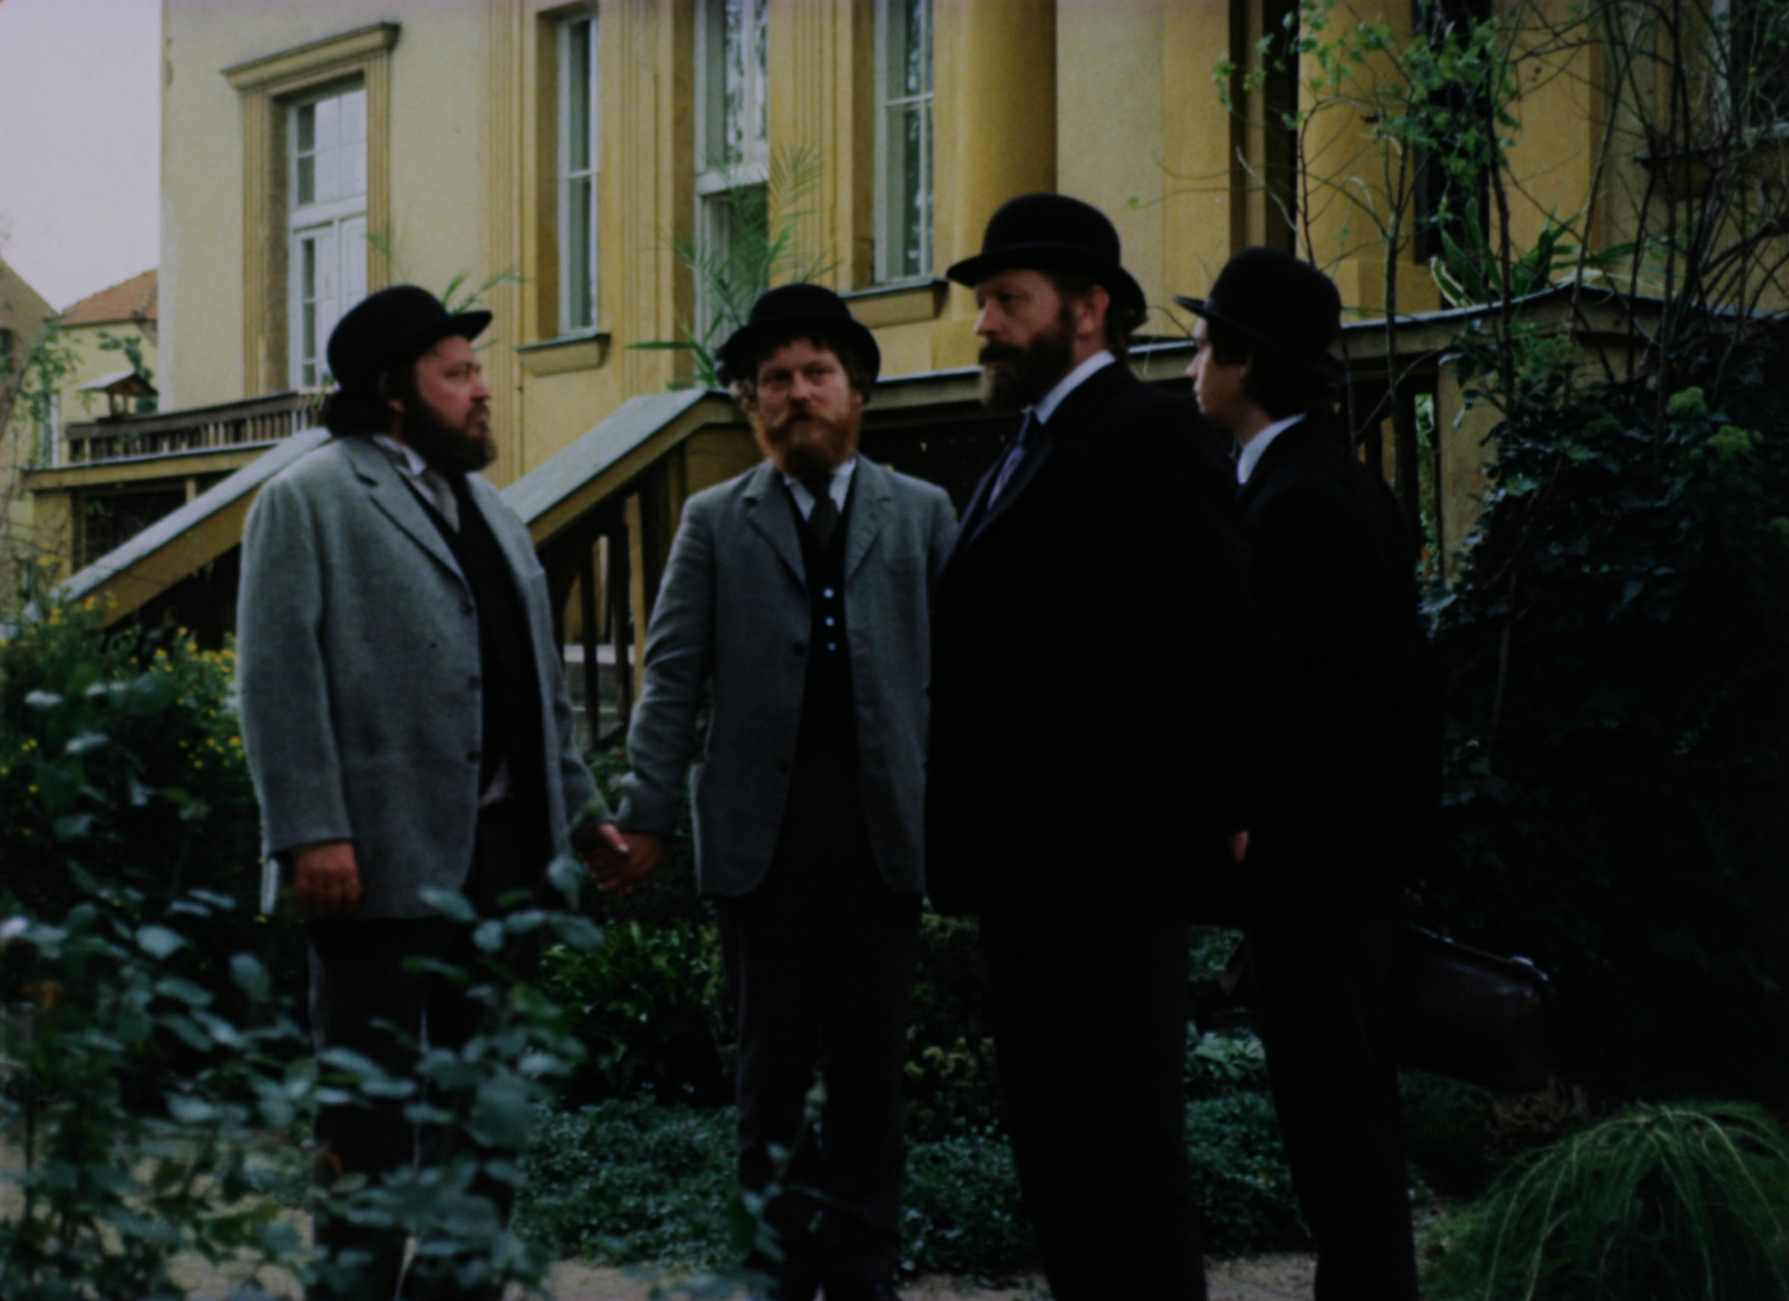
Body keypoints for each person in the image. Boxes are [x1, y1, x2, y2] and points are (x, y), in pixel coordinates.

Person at [237, 284, 625, 1301]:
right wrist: (311, 831)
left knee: (483, 1123)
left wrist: (584, 816)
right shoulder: (310, 497)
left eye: (475, 370)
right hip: (372, 864)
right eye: (456, 374)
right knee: (367, 1128)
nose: (481, 388)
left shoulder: (490, 509)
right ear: (393, 391)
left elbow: (532, 689)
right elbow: (276, 679)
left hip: (503, 861)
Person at [605, 284, 957, 1301]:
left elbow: (961, 679)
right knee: (769, 1077)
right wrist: (645, 814)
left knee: (871, 1077)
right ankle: (774, 1270)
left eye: (816, 373)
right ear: (751, 402)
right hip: (763, 847)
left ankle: (864, 1273)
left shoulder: (921, 513)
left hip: (883, 839)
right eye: (774, 379)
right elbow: (672, 676)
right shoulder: (717, 522)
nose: (796, 393)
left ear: (856, 390)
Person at [925, 193, 1244, 1301]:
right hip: (1027, 878)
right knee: (1060, 1158)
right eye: (983, 304)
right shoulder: (1024, 444)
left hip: (1109, 877)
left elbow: (1215, 639)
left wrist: (1200, 815)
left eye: (1007, 301)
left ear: (1089, 308)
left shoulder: (1151, 435)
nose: (984, 326)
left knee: (1126, 1161)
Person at [1177, 247, 1435, 1301]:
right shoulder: (1320, 480)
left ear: (1244, 361)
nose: (1190, 364)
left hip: (1316, 867)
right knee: (1341, 1117)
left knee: (1336, 1120)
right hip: (1335, 860)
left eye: (1203, 344)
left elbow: (1305, 696)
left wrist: (1251, 816)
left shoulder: (1301, 500)